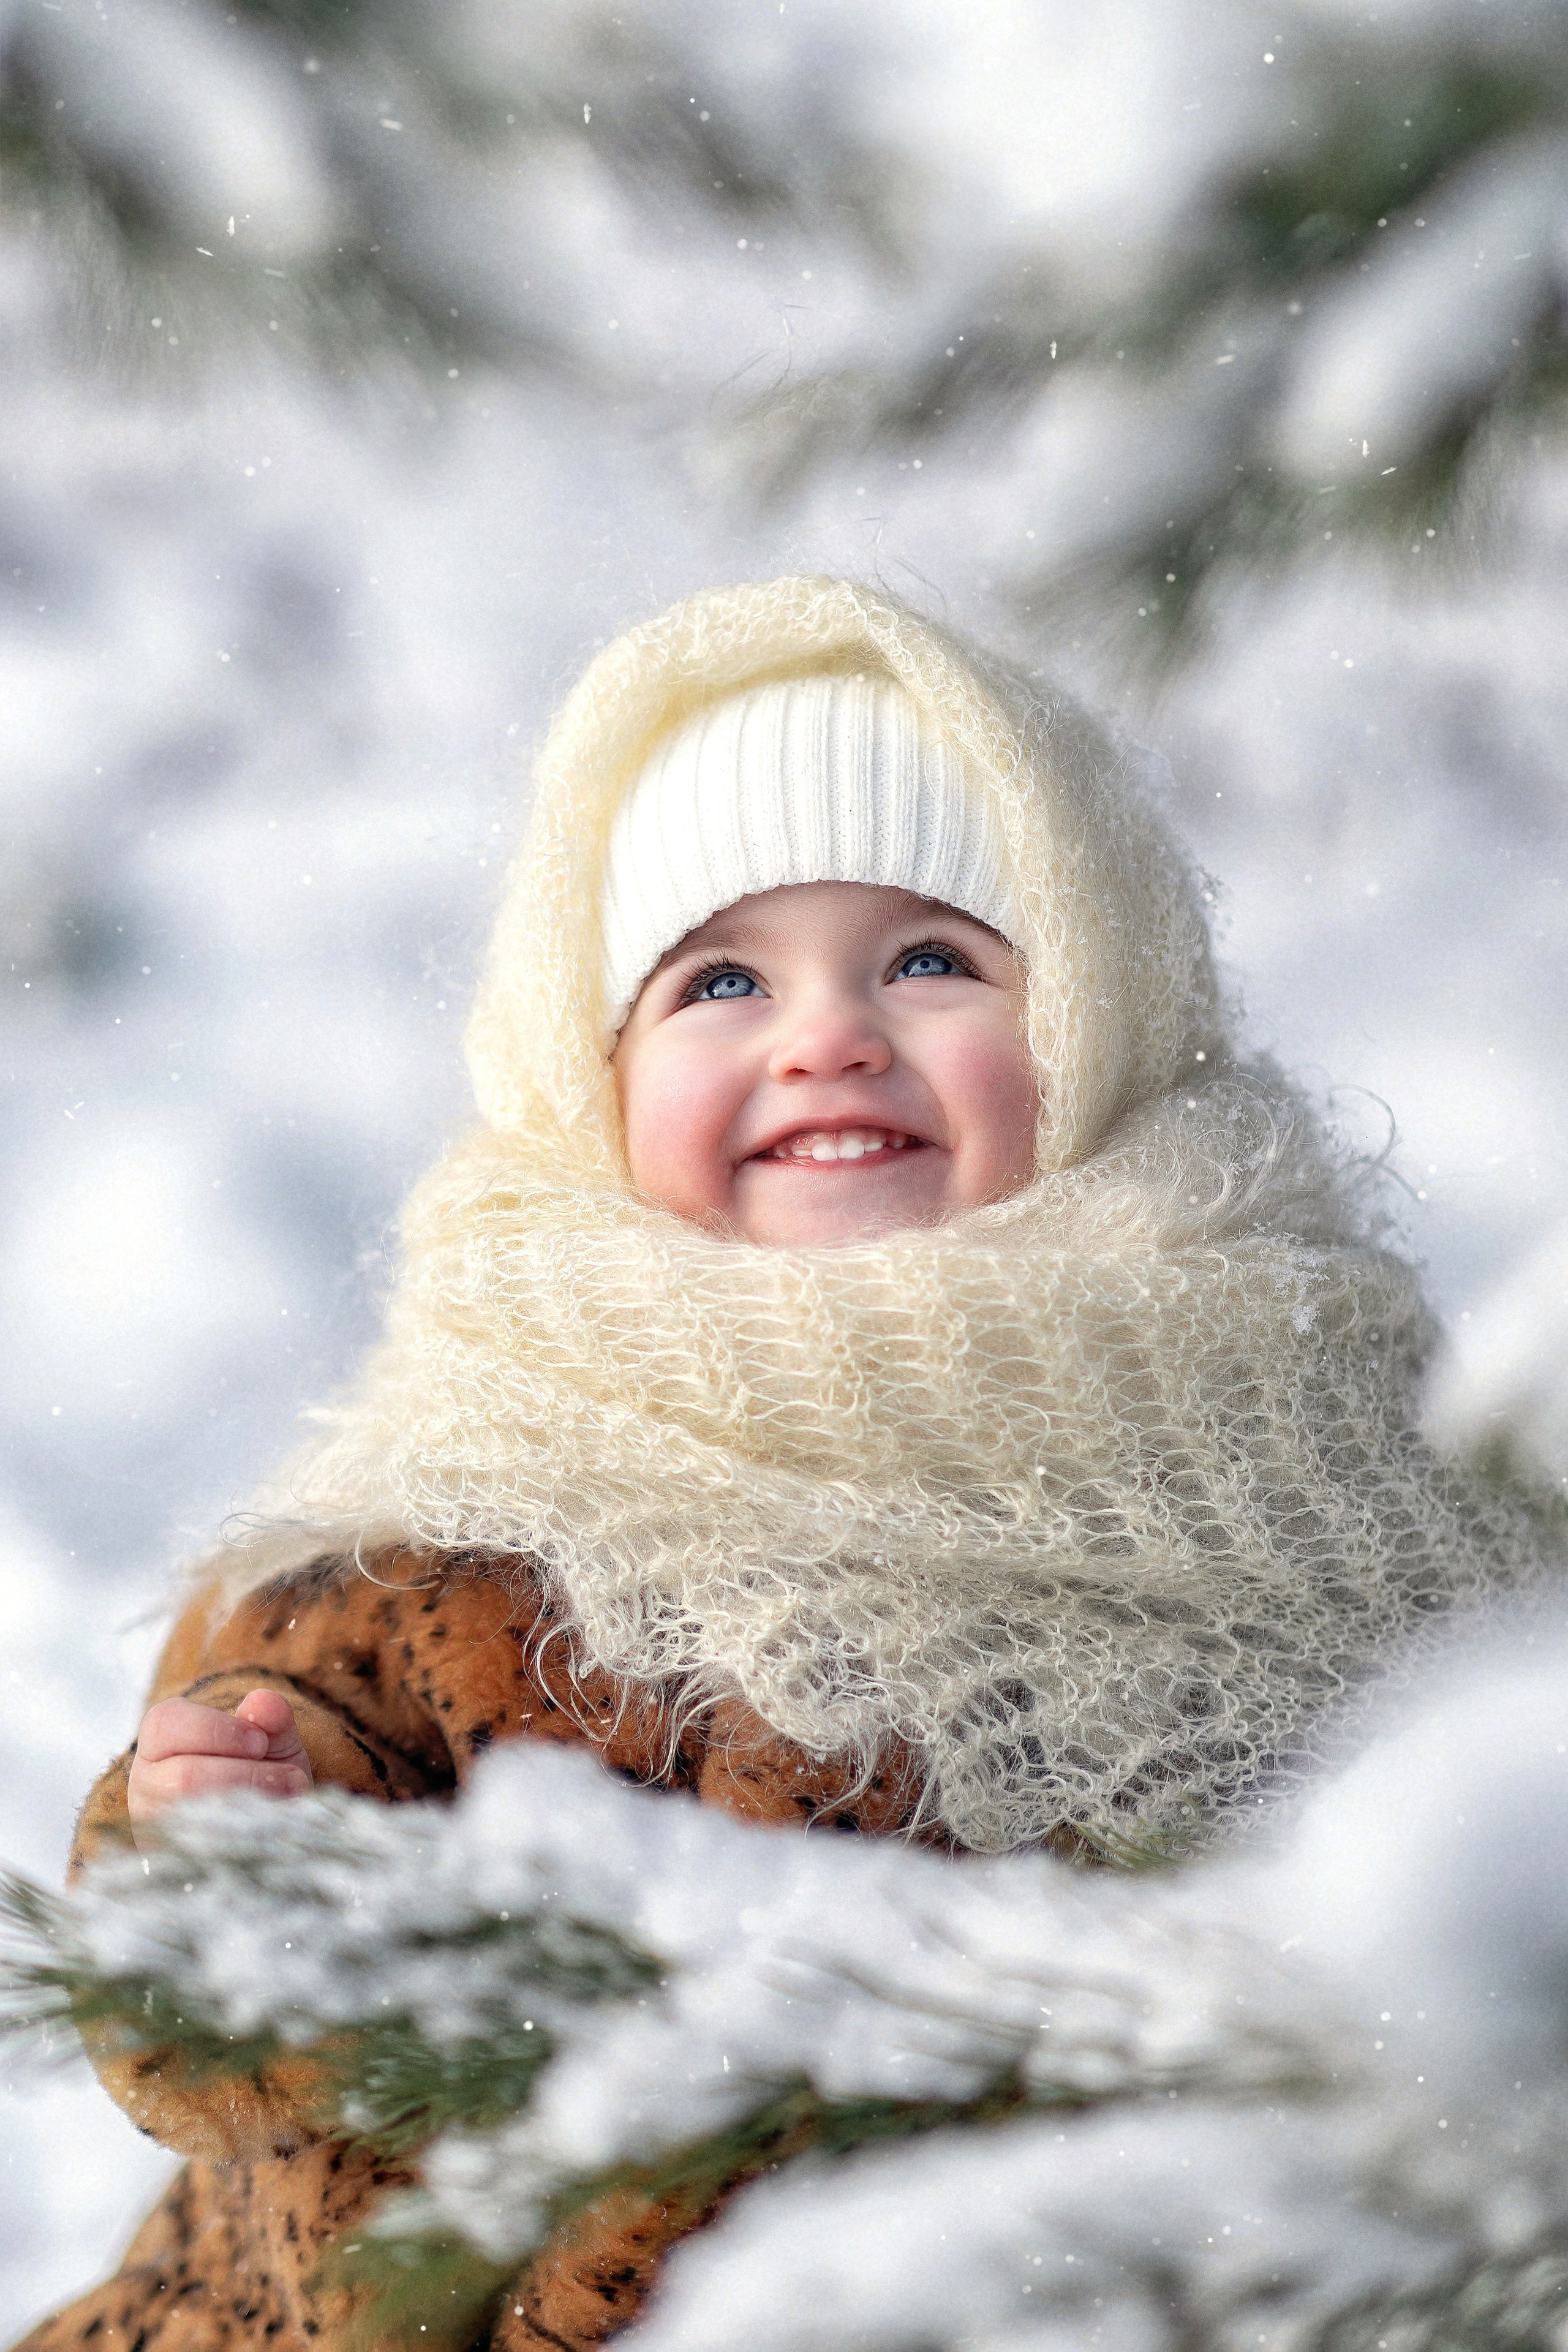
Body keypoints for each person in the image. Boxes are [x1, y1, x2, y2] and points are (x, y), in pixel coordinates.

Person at [19, 576, 1551, 2352]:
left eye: (932, 960)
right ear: (589, 1068)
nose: (826, 1035)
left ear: (1108, 1006)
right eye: (721, 978)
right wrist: (225, 1848)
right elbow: (251, 2005)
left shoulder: (1332, 1458)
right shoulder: (451, 1511)